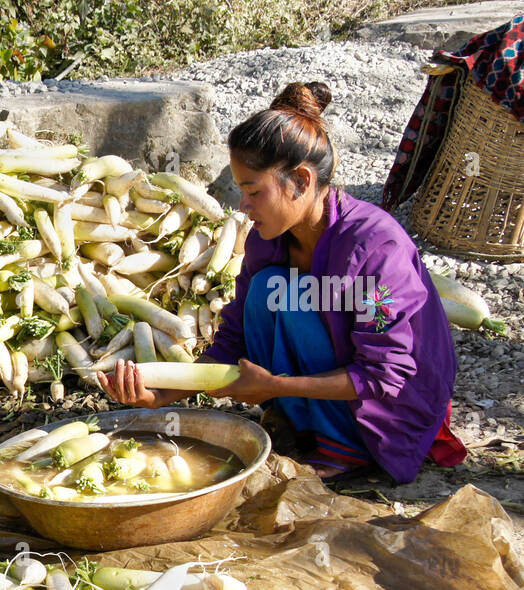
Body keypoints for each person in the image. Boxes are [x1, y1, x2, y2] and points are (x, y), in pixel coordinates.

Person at [99, 82, 466, 485]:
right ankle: (307, 425)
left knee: (290, 297)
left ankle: (347, 447)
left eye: (253, 191)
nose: (243, 206)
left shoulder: (376, 248)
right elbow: (234, 338)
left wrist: (276, 385)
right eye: (241, 191)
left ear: (302, 181)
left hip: (392, 408)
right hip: (323, 384)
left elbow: (384, 375)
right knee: (269, 290)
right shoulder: (268, 240)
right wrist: (160, 395)